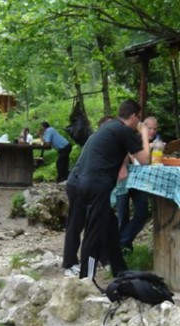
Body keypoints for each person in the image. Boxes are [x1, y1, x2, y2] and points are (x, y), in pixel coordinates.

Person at [76, 100, 150, 279]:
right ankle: (86, 278)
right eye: (138, 117)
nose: (139, 121)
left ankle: (120, 270)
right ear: (133, 116)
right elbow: (145, 159)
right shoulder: (123, 130)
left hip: (84, 181)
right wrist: (145, 133)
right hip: (97, 185)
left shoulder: (110, 128)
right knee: (94, 233)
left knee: (110, 227)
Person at [62, 115, 113, 276]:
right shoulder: (96, 140)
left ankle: (103, 258)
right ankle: (69, 263)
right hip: (77, 184)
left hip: (89, 186)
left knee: (101, 222)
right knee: (76, 224)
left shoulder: (104, 141)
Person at [116, 115, 159, 253]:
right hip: (124, 180)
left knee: (141, 213)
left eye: (155, 128)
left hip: (141, 182)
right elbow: (125, 153)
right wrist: (123, 165)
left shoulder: (158, 142)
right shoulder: (132, 136)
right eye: (149, 128)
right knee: (123, 216)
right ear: (142, 127)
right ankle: (124, 248)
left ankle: (121, 244)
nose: (152, 131)